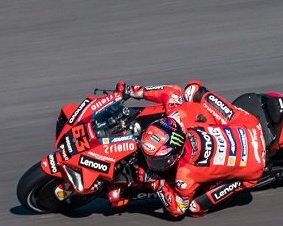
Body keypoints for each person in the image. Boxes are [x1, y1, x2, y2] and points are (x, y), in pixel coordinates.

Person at [110, 80, 266, 218]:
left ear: (174, 156)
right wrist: (131, 90)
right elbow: (173, 91)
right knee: (192, 90)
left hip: (254, 167)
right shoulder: (180, 117)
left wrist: (157, 183)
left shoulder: (184, 176)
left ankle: (236, 181)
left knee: (194, 207)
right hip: (249, 126)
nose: (149, 162)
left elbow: (178, 209)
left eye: (154, 160)